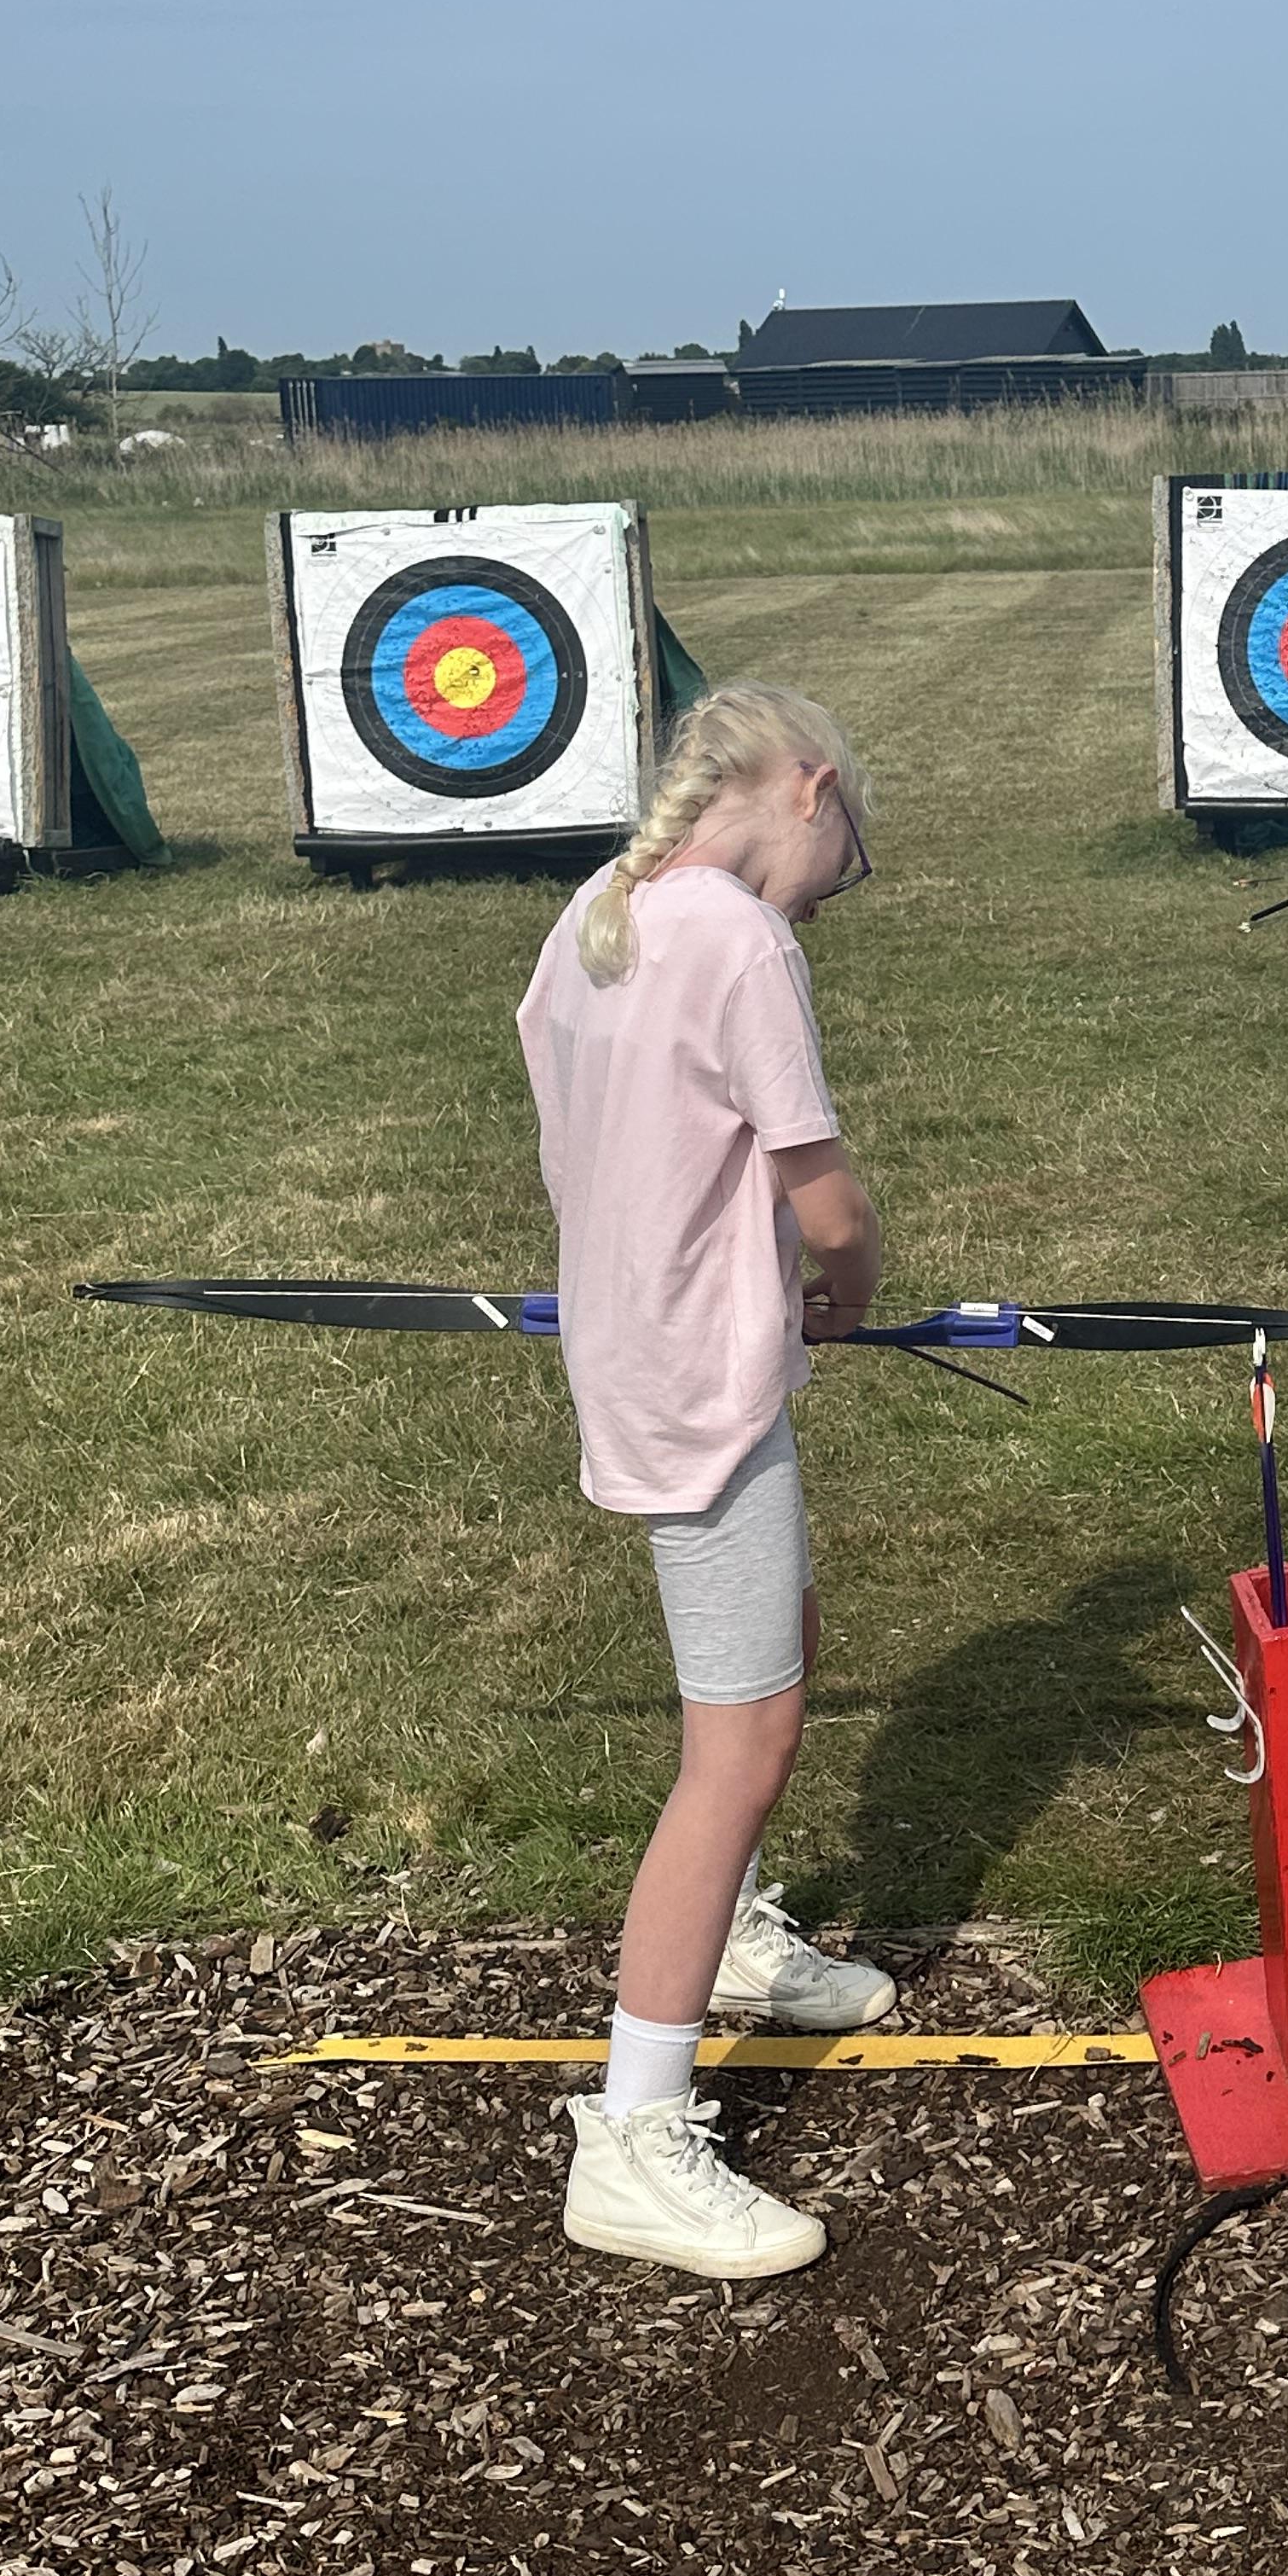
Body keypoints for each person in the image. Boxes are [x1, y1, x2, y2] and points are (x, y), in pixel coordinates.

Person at [516, 681, 896, 2282]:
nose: (824, 901)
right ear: (808, 788)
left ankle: (734, 1942)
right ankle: (638, 2131)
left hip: (651, 1359)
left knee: (776, 1652)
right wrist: (853, 1289)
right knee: (739, 1747)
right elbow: (826, 1203)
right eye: (841, 864)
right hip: (705, 1386)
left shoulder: (592, 918)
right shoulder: (735, 938)